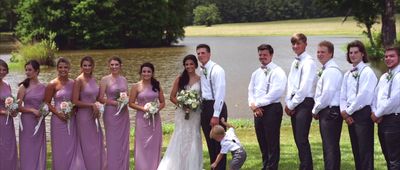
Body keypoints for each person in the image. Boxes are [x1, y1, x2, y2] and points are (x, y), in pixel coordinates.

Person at [158, 55, 203, 169]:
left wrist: (195, 104)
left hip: (195, 114)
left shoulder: (201, 79)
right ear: (184, 66)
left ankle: (192, 165)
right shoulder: (180, 79)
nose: (189, 66)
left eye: (191, 64)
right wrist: (182, 105)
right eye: (186, 64)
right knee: (181, 136)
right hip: (182, 113)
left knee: (194, 136)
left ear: (195, 65)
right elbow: (172, 97)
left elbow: (202, 97)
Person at [248, 44, 287, 170]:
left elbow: (276, 92)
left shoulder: (278, 72)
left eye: (265, 55)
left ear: (271, 55)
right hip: (257, 111)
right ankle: (265, 165)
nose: (262, 57)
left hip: (272, 109)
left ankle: (272, 167)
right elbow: (250, 91)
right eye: (260, 55)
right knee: (262, 140)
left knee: (272, 142)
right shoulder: (255, 73)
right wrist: (253, 106)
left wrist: (257, 104)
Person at [340, 40, 377, 170]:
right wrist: (344, 112)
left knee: (365, 151)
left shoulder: (368, 72)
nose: (353, 55)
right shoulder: (347, 74)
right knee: (356, 150)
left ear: (362, 54)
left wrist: (348, 111)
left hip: (363, 114)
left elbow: (364, 96)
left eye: (356, 52)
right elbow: (342, 96)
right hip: (350, 115)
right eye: (350, 53)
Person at [44, 57, 84, 169]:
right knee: (59, 147)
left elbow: (76, 101)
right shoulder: (52, 84)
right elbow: (46, 102)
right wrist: (58, 113)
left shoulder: (74, 83)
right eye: (60, 67)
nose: (63, 70)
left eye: (66, 67)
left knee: (72, 146)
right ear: (57, 68)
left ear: (69, 68)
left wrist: (74, 111)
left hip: (71, 119)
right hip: (57, 120)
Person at [285, 33, 317, 170]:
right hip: (294, 102)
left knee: (302, 138)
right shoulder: (295, 62)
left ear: (305, 44)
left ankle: (306, 167)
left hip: (305, 102)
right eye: (293, 44)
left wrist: (292, 104)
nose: (295, 46)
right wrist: (288, 102)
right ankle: (303, 165)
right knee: (298, 139)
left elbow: (304, 87)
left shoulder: (309, 62)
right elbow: (290, 83)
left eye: (298, 43)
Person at [311, 41, 343, 170]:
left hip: (330, 112)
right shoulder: (327, 70)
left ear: (331, 53)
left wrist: (315, 109)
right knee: (330, 146)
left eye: (323, 52)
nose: (319, 54)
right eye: (318, 52)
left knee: (330, 147)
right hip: (329, 112)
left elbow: (326, 95)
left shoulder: (331, 71)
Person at [197, 43, 228, 170]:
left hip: (216, 107)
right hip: (204, 106)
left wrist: (216, 115)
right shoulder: (201, 70)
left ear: (209, 54)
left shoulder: (217, 70)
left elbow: (220, 93)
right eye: (198, 53)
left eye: (203, 53)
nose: (200, 55)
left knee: (219, 143)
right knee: (210, 141)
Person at [129, 62, 165, 170]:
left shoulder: (157, 85)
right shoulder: (136, 86)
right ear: (140, 73)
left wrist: (155, 109)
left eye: (149, 71)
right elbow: (131, 103)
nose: (146, 73)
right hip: (142, 119)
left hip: (155, 119)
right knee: (142, 144)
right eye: (144, 71)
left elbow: (163, 102)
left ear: (152, 73)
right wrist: (143, 108)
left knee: (154, 144)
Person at [72, 56, 106, 170]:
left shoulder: (93, 78)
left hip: (94, 116)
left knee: (96, 142)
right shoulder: (78, 80)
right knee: (87, 144)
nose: (87, 67)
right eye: (84, 65)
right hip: (83, 117)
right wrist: (91, 105)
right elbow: (75, 101)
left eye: (89, 65)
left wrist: (98, 105)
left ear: (93, 66)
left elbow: (95, 97)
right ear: (81, 67)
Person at [371, 47, 400, 170]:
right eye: (386, 56)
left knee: (395, 159)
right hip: (382, 121)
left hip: (394, 120)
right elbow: (375, 97)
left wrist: (378, 113)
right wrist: (374, 111)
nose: (388, 58)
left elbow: (394, 99)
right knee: (387, 156)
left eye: (392, 56)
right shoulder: (384, 77)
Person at [99, 56, 130, 170]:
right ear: (109, 66)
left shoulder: (124, 79)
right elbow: (100, 98)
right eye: (112, 65)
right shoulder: (104, 80)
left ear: (120, 66)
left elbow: (127, 95)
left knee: (123, 140)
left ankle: (122, 166)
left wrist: (125, 100)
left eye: (116, 64)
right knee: (112, 140)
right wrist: (114, 102)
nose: (114, 67)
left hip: (123, 113)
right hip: (111, 113)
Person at [17, 60, 47, 170]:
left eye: (30, 70)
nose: (27, 72)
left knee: (38, 147)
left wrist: (44, 112)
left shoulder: (44, 87)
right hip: (27, 122)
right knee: (27, 148)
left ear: (37, 71)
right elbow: (18, 107)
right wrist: (32, 110)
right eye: (26, 70)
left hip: (39, 122)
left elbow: (46, 104)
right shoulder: (23, 87)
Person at [0, 59, 17, 170]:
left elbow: (11, 101)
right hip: (1, 118)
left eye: (4, 70)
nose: (1, 72)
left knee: (8, 146)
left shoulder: (7, 85)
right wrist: (4, 112)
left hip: (8, 122)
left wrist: (13, 110)